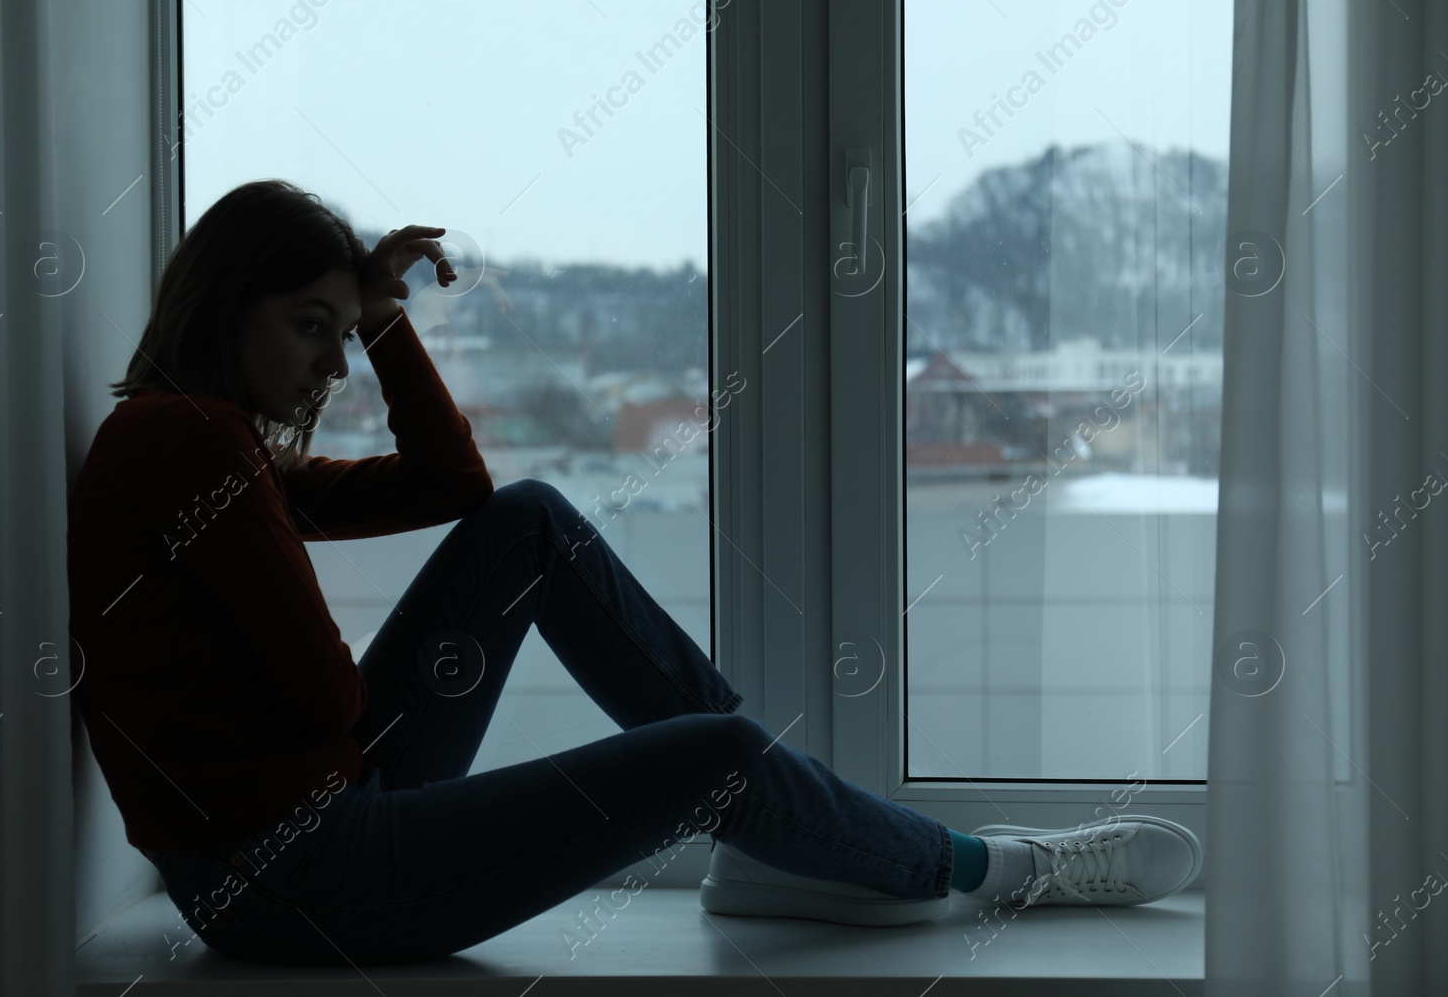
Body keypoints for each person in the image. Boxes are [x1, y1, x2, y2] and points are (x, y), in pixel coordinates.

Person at [67, 179, 1203, 967]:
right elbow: (328, 701)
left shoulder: (199, 438)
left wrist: (382, 322)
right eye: (311, 327)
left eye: (338, 329)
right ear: (226, 308)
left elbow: (460, 490)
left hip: (296, 833)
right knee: (713, 753)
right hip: (288, 876)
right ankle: (984, 867)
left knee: (532, 522)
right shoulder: (194, 444)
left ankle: (772, 820)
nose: (332, 362)